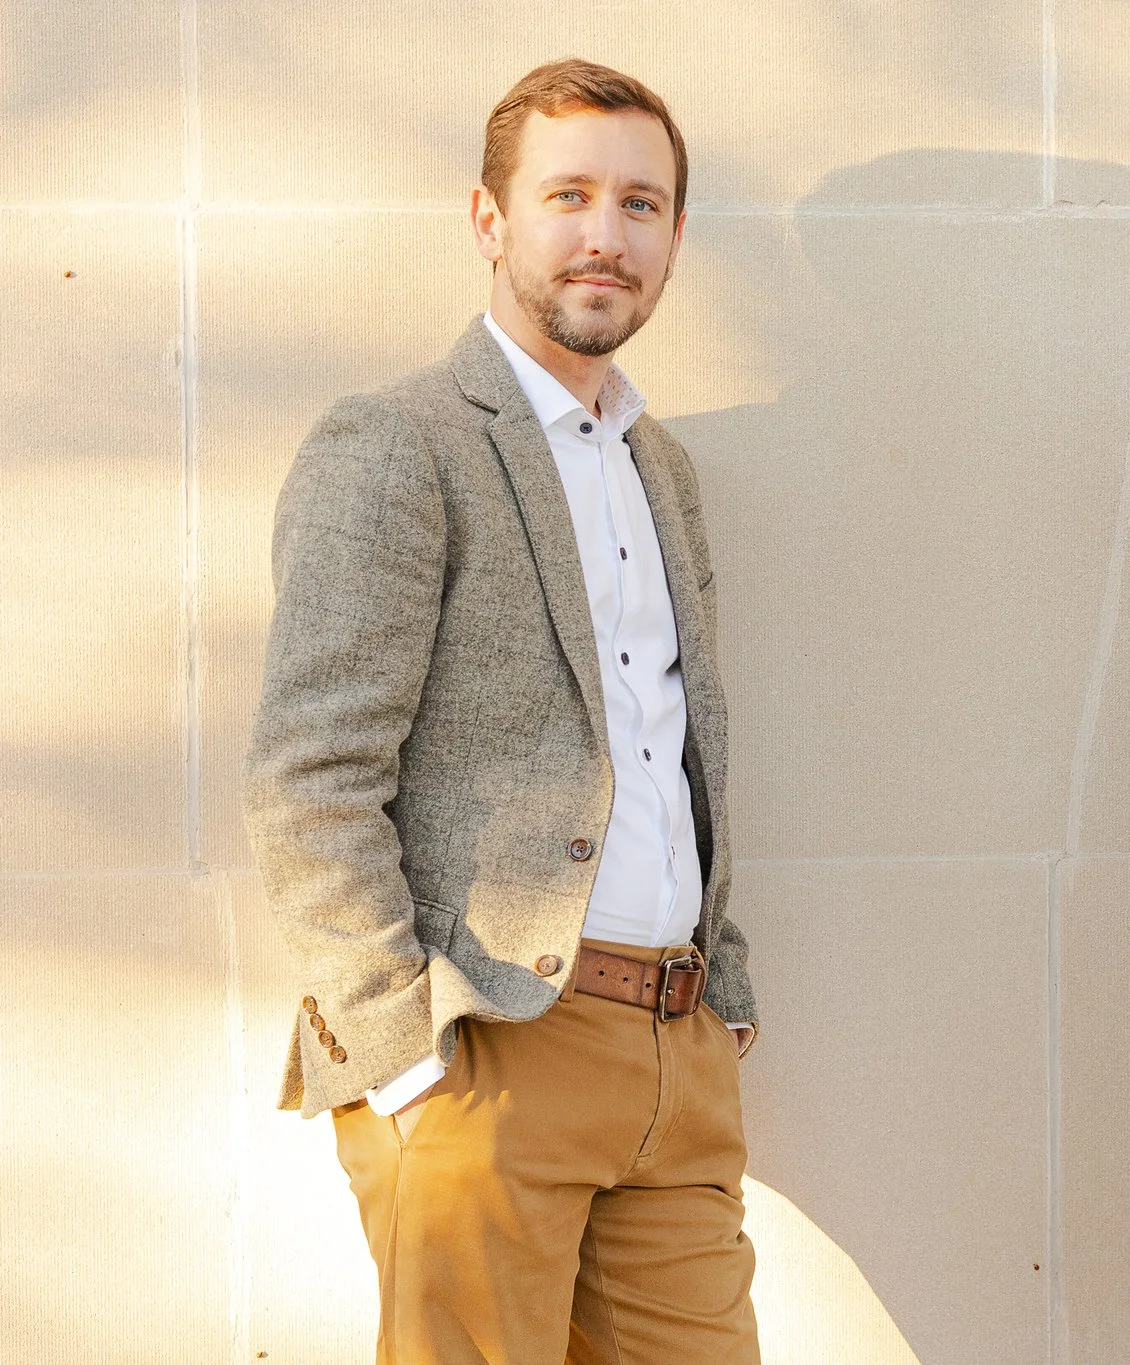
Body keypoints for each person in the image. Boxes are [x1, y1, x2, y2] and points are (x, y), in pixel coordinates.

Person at [244, 59, 759, 1363]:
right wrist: (405, 1054)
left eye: (641, 204)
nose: (606, 235)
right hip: (484, 1052)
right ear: (491, 218)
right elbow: (312, 774)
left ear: (673, 235)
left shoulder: (659, 467)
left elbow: (671, 744)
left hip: (674, 1056)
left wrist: (726, 986)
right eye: (567, 196)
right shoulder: (398, 443)